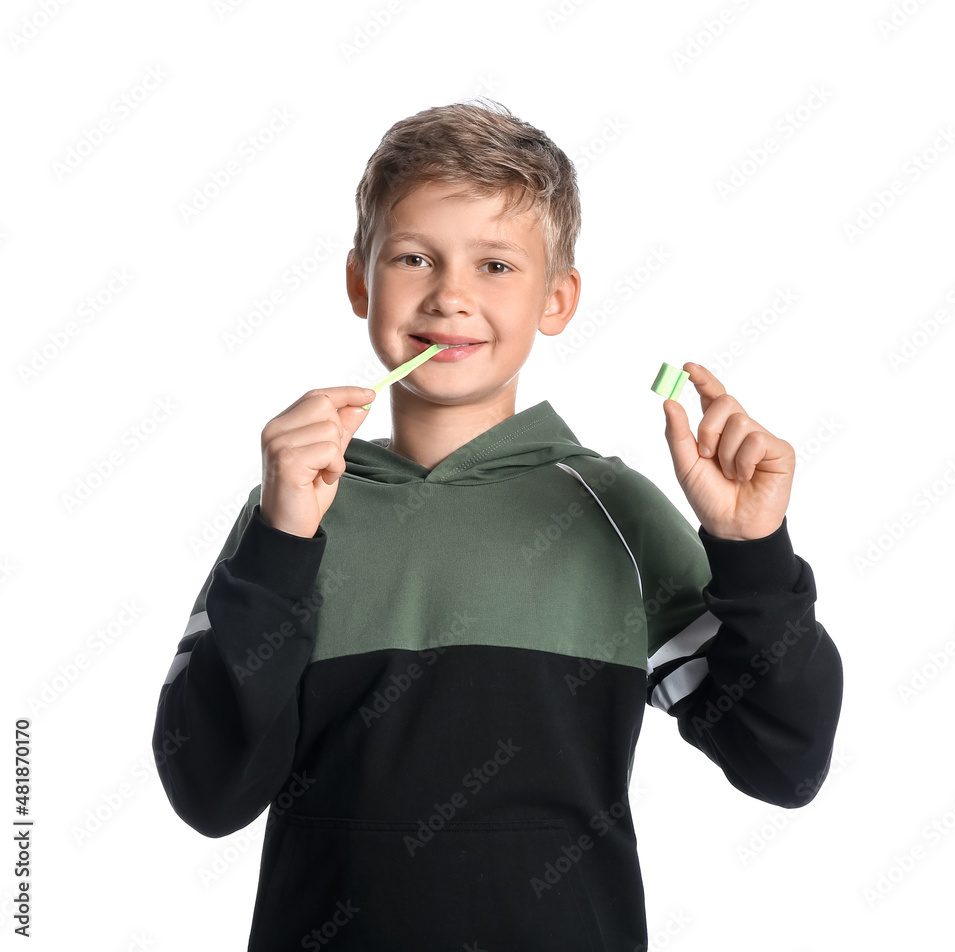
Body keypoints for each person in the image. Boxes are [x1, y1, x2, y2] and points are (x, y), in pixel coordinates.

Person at [152, 98, 843, 952]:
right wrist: (281, 542)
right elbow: (209, 792)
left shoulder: (613, 510)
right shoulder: (294, 511)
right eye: (414, 258)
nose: (450, 295)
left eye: (496, 266)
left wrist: (753, 553)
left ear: (557, 300)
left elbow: (786, 762)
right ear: (361, 283)